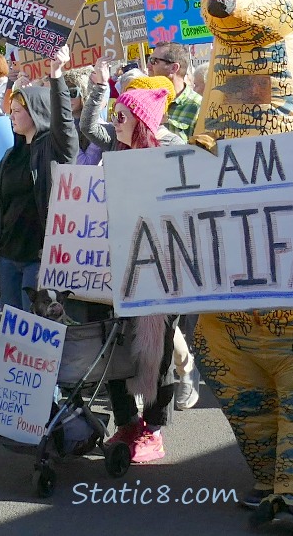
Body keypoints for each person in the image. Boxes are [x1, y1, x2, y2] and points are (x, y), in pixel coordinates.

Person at [99, 87, 183, 465]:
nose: (115, 123)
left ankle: (153, 429)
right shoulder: (113, 159)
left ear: (141, 123)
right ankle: (128, 423)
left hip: (162, 275)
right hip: (118, 273)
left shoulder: (168, 161)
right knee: (115, 349)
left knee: (157, 355)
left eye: (122, 116)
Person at [0, 46, 78, 314]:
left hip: (39, 256)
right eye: (11, 110)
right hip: (8, 257)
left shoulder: (54, 148)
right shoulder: (12, 153)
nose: (11, 116)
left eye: (17, 111)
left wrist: (56, 75)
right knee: (11, 328)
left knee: (34, 327)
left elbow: (63, 121)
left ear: (36, 112)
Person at [146, 42, 202, 140]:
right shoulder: (146, 102)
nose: (148, 66)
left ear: (174, 68)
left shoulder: (198, 106)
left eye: (154, 61)